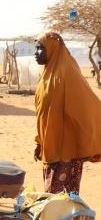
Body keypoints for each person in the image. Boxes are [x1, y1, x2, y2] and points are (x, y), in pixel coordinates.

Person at [33, 31, 101, 194]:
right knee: (54, 198)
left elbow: (85, 107)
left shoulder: (67, 73)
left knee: (59, 198)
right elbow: (43, 113)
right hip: (51, 146)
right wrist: (39, 142)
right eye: (36, 48)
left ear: (52, 49)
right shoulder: (46, 75)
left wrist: (84, 144)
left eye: (40, 48)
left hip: (66, 151)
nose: (36, 53)